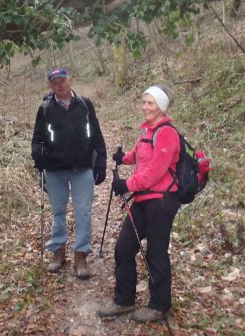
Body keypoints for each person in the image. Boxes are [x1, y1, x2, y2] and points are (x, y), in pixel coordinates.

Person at [97, 85, 180, 323]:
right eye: (144, 102)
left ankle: (159, 306)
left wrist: (127, 185)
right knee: (124, 247)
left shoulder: (167, 133)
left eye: (150, 103)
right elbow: (139, 154)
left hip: (162, 201)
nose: (145, 107)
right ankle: (124, 300)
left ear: (161, 107)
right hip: (144, 200)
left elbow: (155, 171)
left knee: (156, 252)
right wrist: (123, 158)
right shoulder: (147, 131)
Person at [31, 67, 107, 279]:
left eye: (62, 81)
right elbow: (37, 139)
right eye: (55, 82)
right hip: (55, 170)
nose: (59, 85)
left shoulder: (85, 104)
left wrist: (100, 163)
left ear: (70, 80)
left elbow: (97, 134)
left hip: (83, 167)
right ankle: (58, 252)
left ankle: (81, 256)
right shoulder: (45, 108)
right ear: (50, 86)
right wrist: (40, 161)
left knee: (83, 211)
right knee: (58, 212)